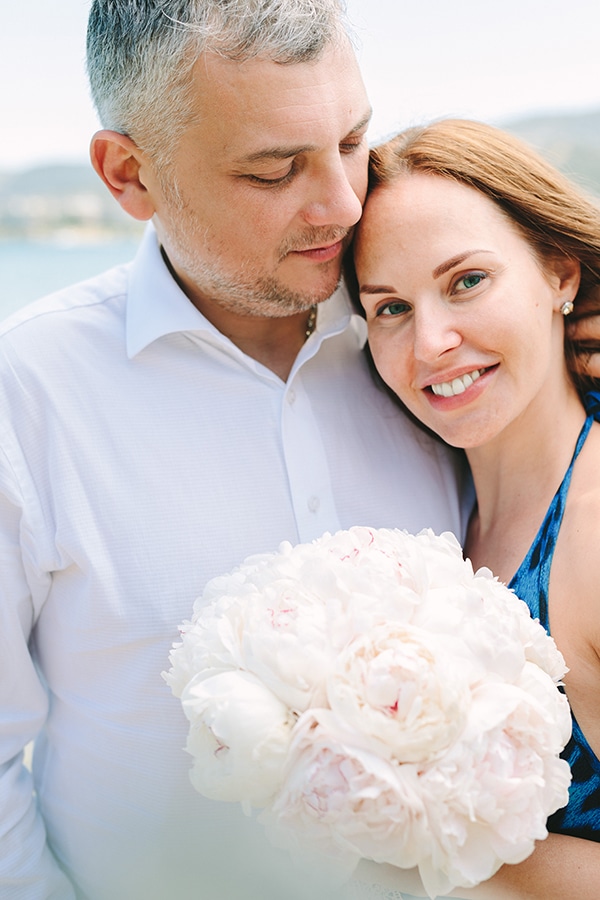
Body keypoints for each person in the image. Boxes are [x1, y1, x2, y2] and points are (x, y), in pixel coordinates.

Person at [0, 4, 472, 899]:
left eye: (352, 141)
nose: (340, 200)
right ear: (129, 175)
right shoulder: (24, 392)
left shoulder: (436, 350)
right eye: (273, 170)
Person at [353, 118, 600, 899]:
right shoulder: (442, 518)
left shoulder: (591, 525)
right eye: (390, 307)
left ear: (559, 273)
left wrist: (413, 832)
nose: (431, 343)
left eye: (466, 281)